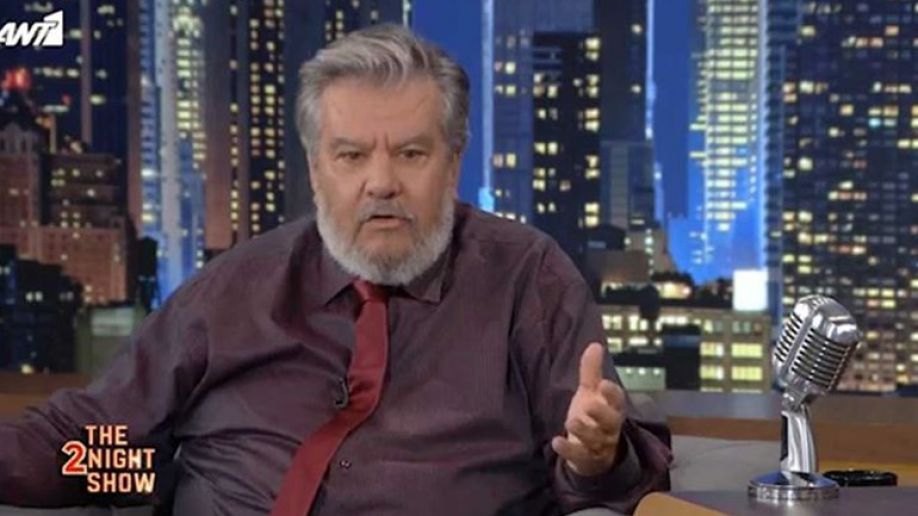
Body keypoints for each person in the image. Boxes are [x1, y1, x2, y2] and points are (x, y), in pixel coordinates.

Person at [0, 25, 671, 515]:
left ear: (453, 163)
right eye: (351, 156)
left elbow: (604, 477)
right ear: (316, 169)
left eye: (411, 154)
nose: (381, 182)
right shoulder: (235, 288)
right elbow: (93, 443)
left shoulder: (528, 279)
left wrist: (597, 458)